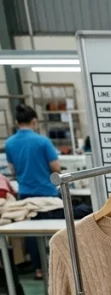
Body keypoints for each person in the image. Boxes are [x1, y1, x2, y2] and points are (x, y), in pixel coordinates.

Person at [6, 104, 61, 279]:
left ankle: (39, 269)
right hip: (47, 195)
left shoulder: (10, 143)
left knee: (32, 235)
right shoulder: (42, 141)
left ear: (16, 122)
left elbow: (13, 170)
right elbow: (56, 168)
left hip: (26, 196)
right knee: (56, 234)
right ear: (34, 121)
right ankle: (58, 271)